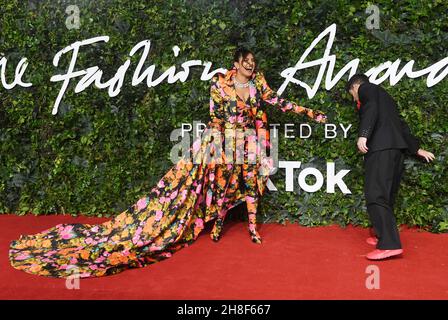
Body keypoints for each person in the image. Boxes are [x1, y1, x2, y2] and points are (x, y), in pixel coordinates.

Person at [9, 47, 327, 278]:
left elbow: (276, 102)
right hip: (223, 143)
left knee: (251, 185)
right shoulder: (219, 83)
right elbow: (215, 117)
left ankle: (253, 229)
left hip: (249, 143)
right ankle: (216, 227)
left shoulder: (258, 83)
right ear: (235, 64)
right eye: (246, 64)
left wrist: (309, 113)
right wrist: (211, 143)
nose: (251, 67)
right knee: (219, 187)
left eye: (253, 63)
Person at [346, 74, 435, 260]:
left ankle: (389, 244)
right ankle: (382, 235)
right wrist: (416, 148)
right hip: (396, 151)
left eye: (352, 94)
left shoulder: (366, 88)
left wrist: (364, 134)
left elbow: (371, 109)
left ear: (355, 87)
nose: (355, 98)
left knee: (375, 194)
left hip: (381, 149)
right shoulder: (386, 98)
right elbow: (400, 125)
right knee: (385, 196)